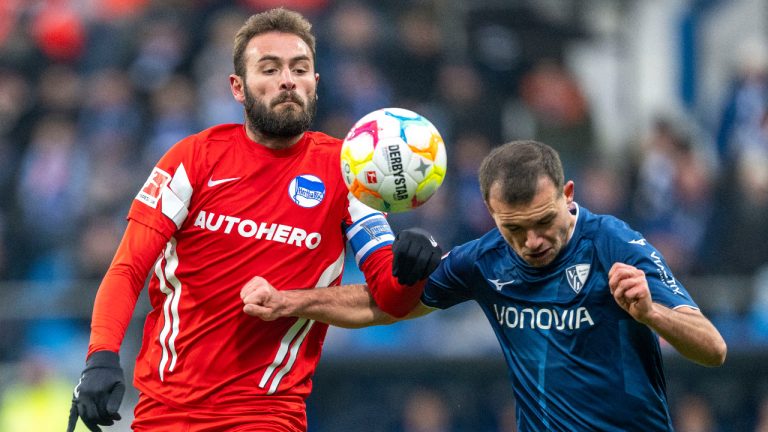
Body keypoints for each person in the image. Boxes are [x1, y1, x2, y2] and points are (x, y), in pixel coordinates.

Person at [67, 8, 441, 432]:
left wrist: (413, 263)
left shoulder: (350, 171)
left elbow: (390, 297)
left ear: (314, 84)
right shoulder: (192, 159)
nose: (288, 80)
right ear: (238, 88)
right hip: (166, 412)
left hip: (267, 415)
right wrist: (100, 356)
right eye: (270, 68)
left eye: (300, 69)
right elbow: (129, 268)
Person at [241, 140, 728, 431]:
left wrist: (652, 314)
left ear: (568, 195)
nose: (532, 242)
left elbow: (714, 348)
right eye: (514, 228)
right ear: (490, 214)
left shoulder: (613, 243)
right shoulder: (484, 259)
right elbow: (383, 306)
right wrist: (288, 301)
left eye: (543, 221)